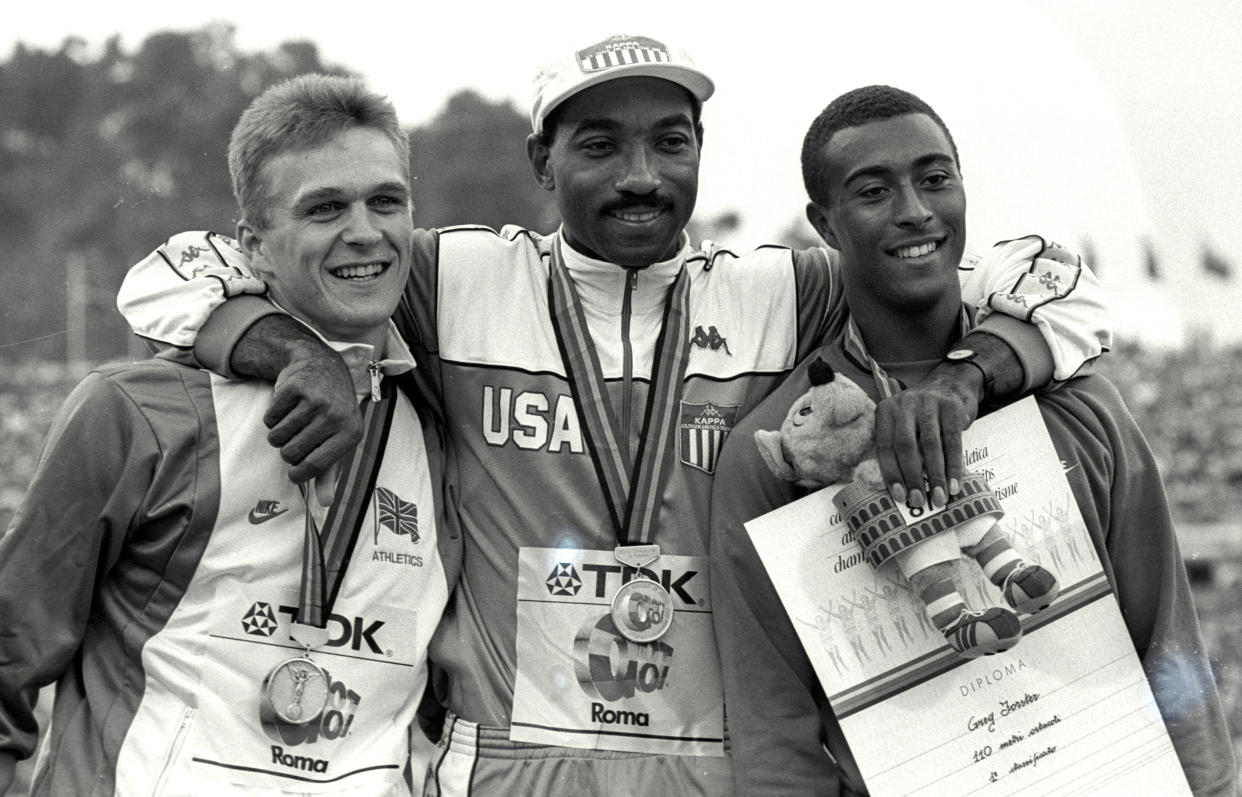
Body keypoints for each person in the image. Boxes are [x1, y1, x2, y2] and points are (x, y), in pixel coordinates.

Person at [114, 36, 1111, 795]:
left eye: (669, 142)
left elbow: (1064, 288)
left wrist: (966, 377)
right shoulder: (451, 276)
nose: (641, 172)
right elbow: (170, 273)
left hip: (706, 760)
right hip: (508, 760)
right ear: (542, 160)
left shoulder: (785, 291)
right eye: (600, 145)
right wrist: (297, 354)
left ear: (699, 154)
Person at [709, 85, 1237, 797]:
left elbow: (1168, 647)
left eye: (935, 179)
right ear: (824, 225)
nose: (915, 210)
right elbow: (775, 733)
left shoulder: (1084, 407)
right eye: (873, 191)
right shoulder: (780, 449)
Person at [0, 75, 459, 796]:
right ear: (254, 246)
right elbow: (11, 648)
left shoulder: (442, 423)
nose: (365, 231)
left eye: (386, 201)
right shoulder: (136, 412)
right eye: (325, 208)